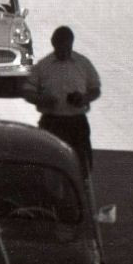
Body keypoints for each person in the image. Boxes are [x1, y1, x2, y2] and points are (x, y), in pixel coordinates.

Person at [23, 25, 102, 177]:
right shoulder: (43, 66)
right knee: (48, 165)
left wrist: (83, 98)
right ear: (53, 43)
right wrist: (42, 100)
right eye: (61, 47)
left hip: (77, 122)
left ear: (72, 43)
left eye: (68, 47)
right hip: (52, 122)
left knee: (82, 166)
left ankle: (82, 195)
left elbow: (95, 89)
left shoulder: (83, 63)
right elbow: (27, 91)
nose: (64, 51)